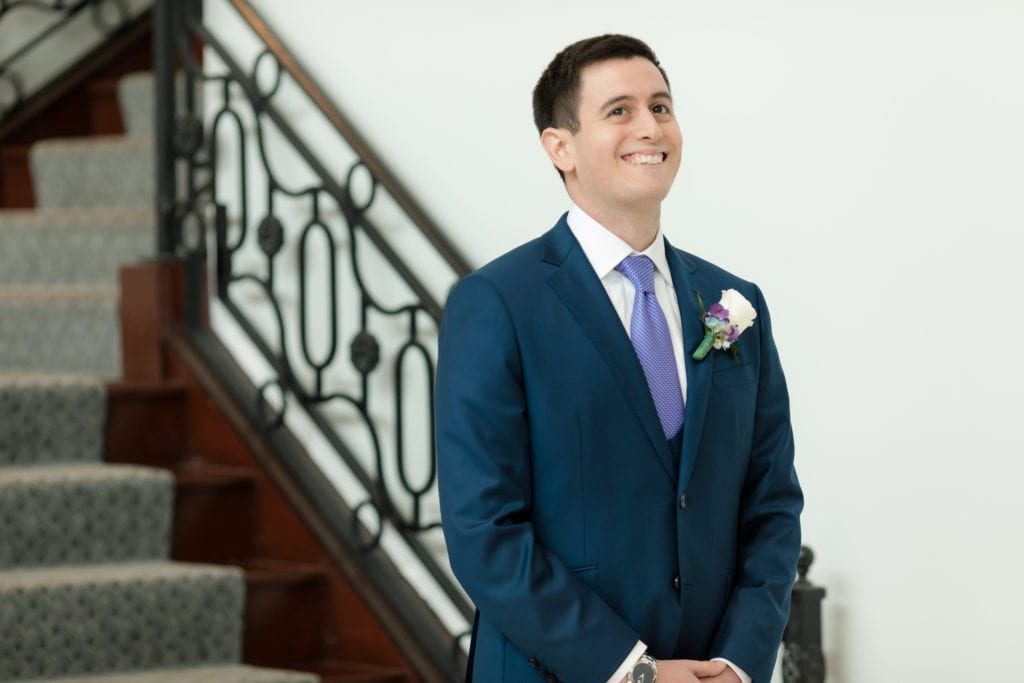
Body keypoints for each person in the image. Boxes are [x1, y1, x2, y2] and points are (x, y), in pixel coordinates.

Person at [435, 34, 802, 683]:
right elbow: (484, 533)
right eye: (619, 111)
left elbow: (771, 502)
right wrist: (635, 671)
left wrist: (739, 661)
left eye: (661, 106)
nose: (650, 126)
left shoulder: (734, 304)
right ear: (560, 146)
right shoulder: (496, 304)